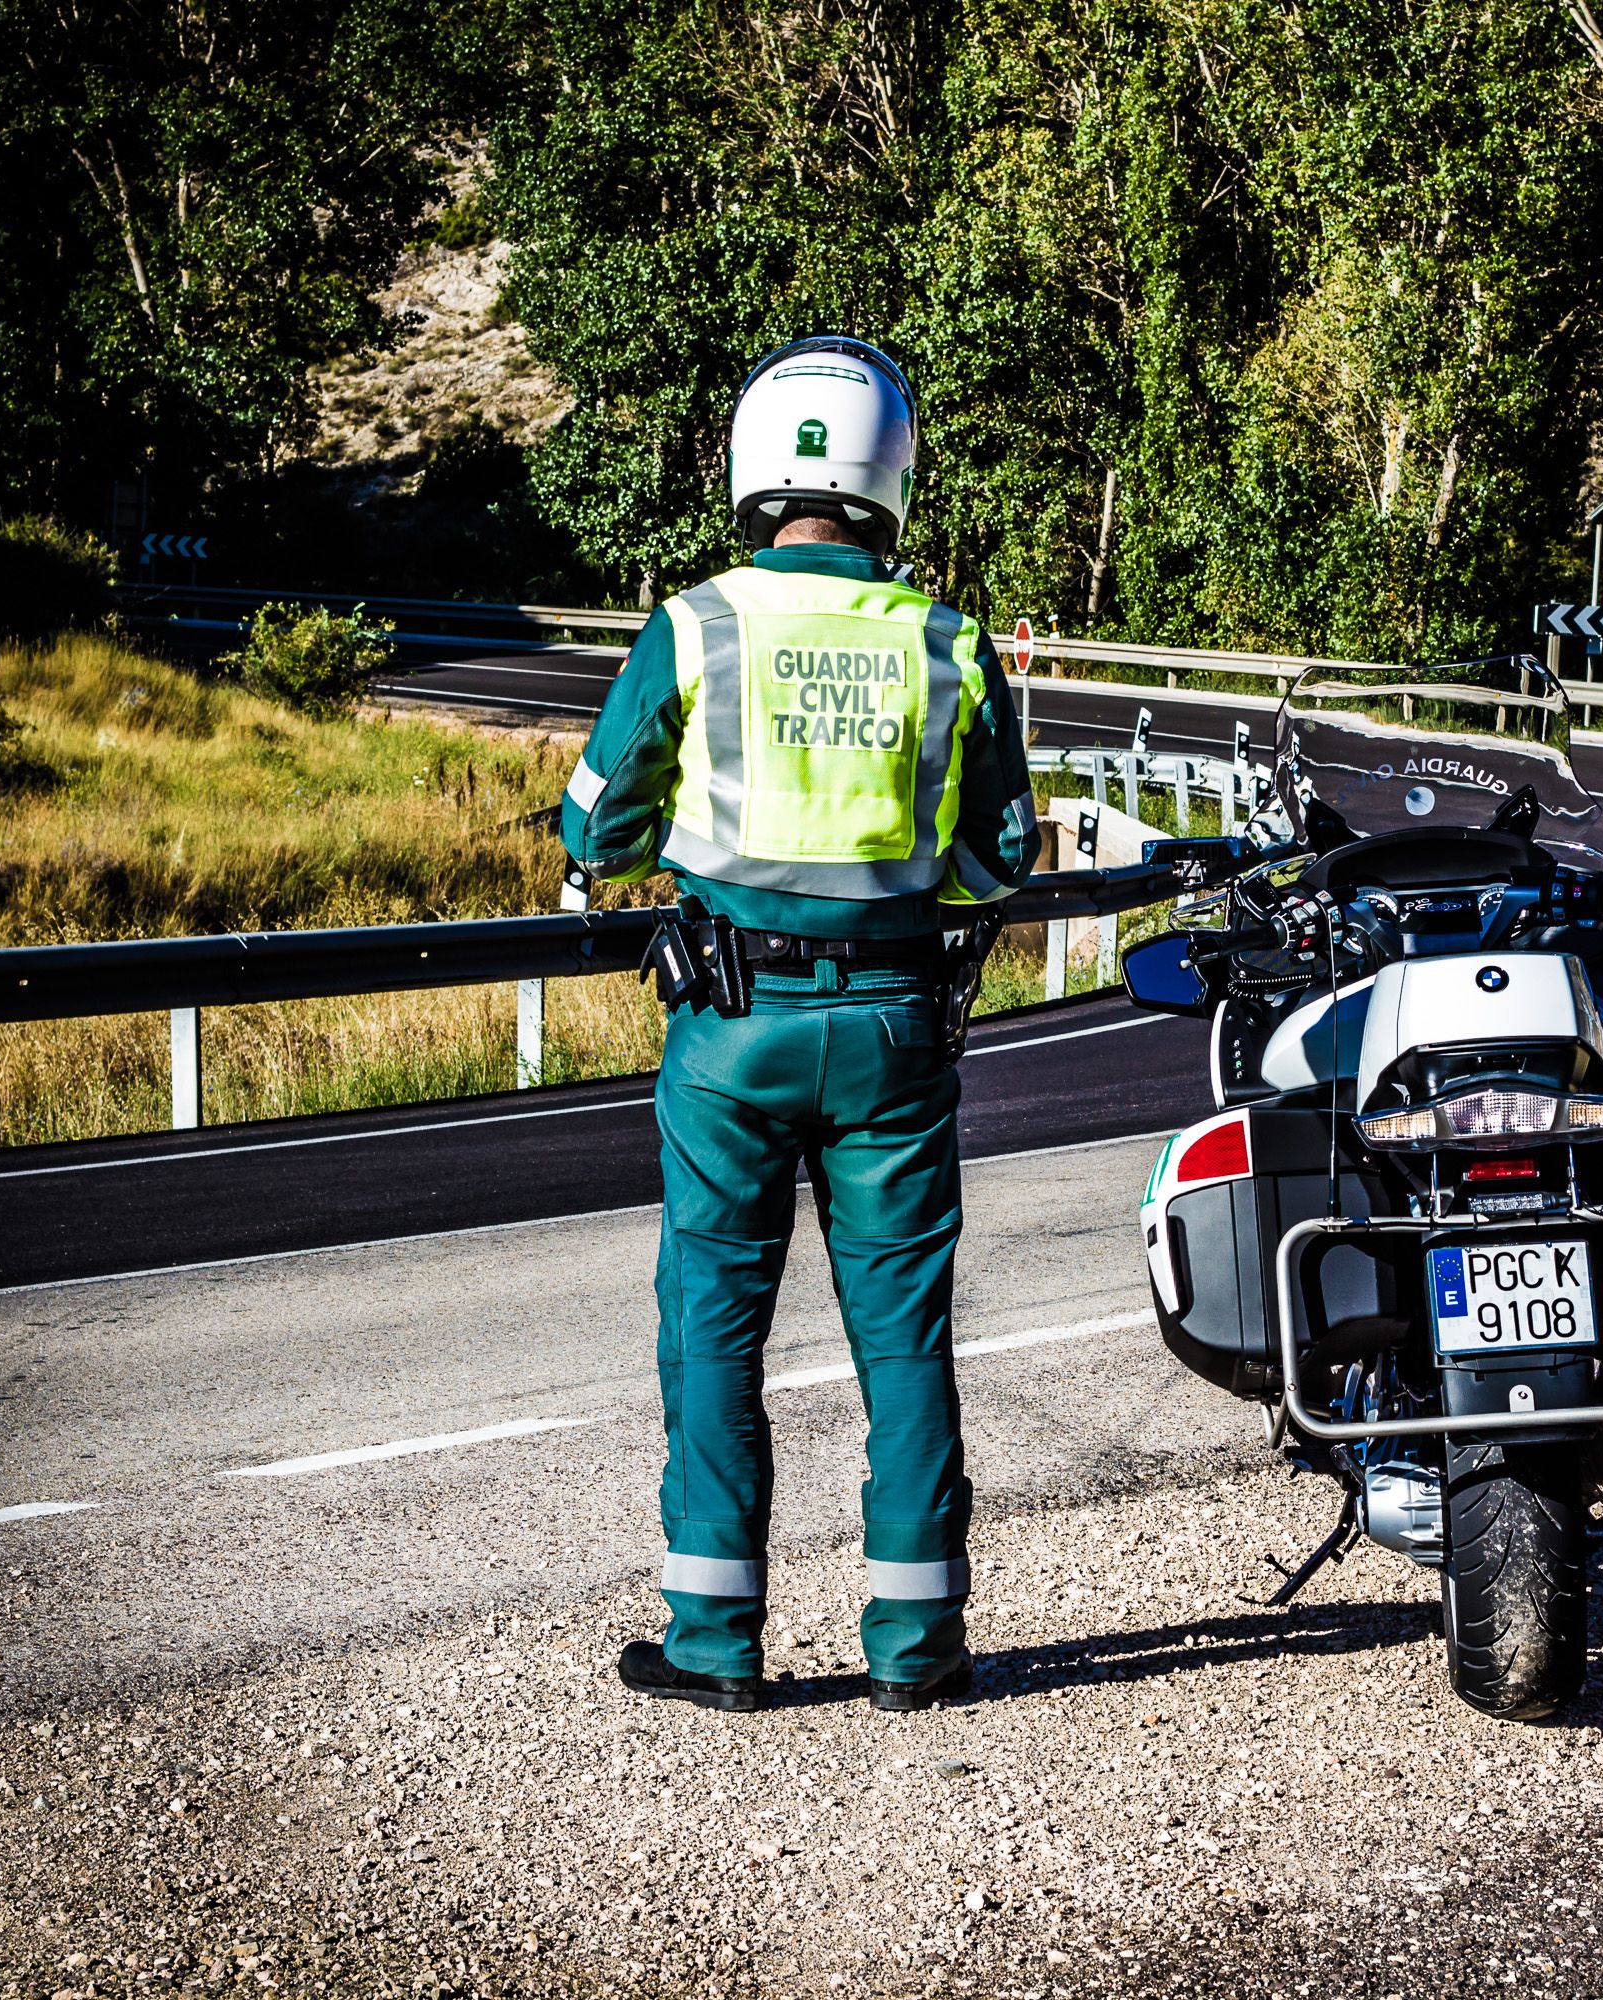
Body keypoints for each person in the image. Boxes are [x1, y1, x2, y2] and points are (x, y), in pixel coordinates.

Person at [558, 335, 1037, 1713]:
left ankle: (713, 1643)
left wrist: (647, 842)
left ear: (753, 470)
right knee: (904, 1335)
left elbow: (602, 817)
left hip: (731, 1029)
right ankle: (917, 1649)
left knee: (714, 1324)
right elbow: (1001, 858)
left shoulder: (699, 623)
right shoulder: (944, 642)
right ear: (891, 473)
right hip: (894, 1030)